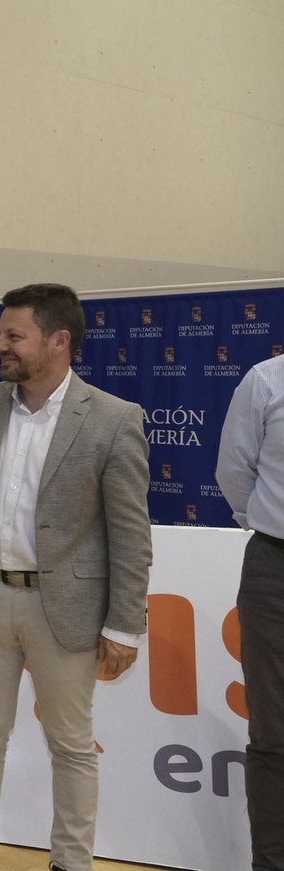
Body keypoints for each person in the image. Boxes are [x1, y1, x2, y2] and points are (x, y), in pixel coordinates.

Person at [0, 284, 151, 871]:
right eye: (0, 334)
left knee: (72, 747)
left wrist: (126, 625)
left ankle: (70, 863)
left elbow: (130, 536)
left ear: (58, 341)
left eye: (12, 335)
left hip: (68, 609)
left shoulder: (112, 420)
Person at [217, 350, 284, 871]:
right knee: (274, 731)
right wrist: (266, 523)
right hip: (275, 569)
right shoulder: (266, 381)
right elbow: (234, 471)